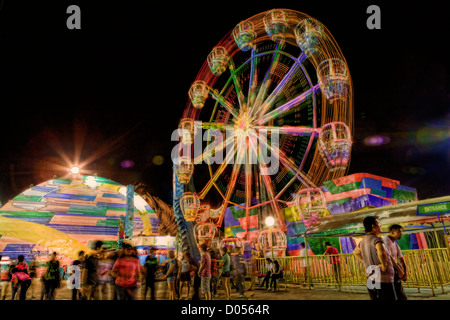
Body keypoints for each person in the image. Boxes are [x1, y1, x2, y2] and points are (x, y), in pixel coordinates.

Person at [353, 216, 396, 300]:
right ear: (373, 226)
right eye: (379, 224)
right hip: (382, 280)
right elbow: (381, 251)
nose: (380, 226)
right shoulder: (377, 239)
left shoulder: (363, 241)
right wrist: (383, 265)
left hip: (370, 278)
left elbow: (355, 252)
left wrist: (364, 262)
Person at [383, 224, 408, 300]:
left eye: (401, 232)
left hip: (395, 270)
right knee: (395, 293)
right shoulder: (385, 241)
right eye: (399, 232)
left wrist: (404, 272)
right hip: (389, 271)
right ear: (392, 232)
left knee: (399, 292)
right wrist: (400, 271)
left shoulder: (395, 244)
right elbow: (389, 257)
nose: (400, 234)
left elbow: (401, 259)